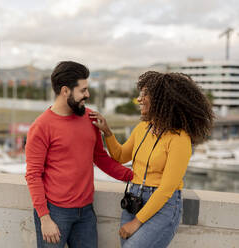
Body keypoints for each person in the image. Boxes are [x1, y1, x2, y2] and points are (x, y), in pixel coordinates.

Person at [90, 71, 214, 248]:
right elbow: (120, 156)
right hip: (134, 199)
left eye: (145, 94)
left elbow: (166, 189)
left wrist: (137, 222)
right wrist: (107, 132)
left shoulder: (179, 139)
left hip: (162, 207)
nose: (139, 99)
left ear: (161, 100)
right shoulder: (142, 128)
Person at [25, 61, 133, 248]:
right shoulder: (41, 127)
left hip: (86, 212)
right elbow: (33, 175)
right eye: (83, 90)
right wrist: (45, 218)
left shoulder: (90, 118)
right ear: (65, 91)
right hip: (55, 212)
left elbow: (100, 158)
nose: (87, 95)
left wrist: (134, 177)